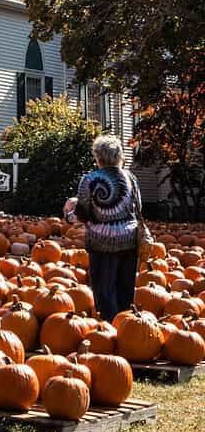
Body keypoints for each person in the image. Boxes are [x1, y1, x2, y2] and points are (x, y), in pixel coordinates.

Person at [72, 134, 141, 322]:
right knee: (125, 288)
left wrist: (71, 211)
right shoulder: (130, 178)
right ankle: (126, 327)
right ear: (120, 156)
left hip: (102, 243)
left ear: (98, 157)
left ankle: (109, 328)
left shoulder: (89, 180)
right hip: (129, 240)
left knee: (104, 289)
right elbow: (138, 208)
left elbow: (83, 213)